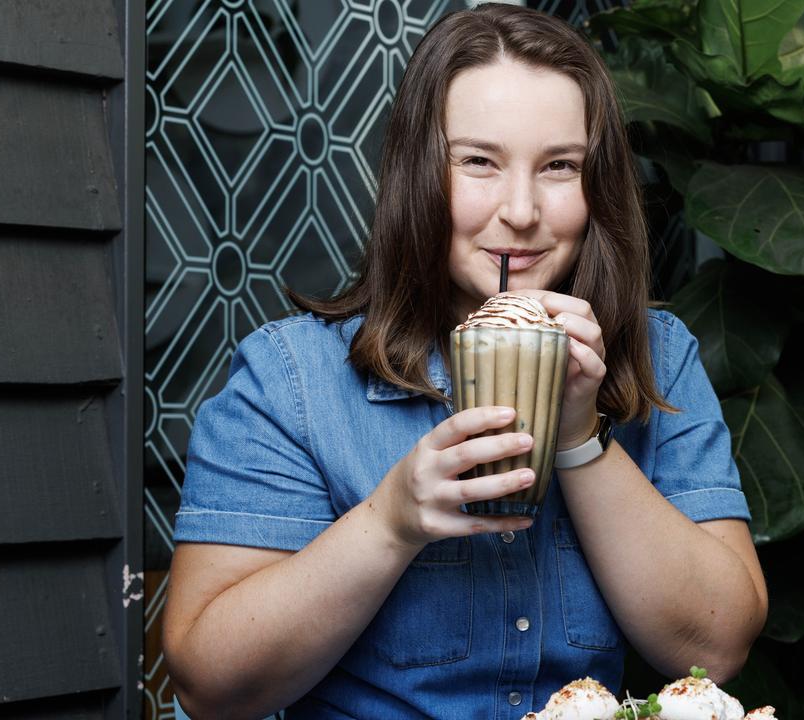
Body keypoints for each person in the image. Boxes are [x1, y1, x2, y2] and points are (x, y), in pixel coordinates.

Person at [162, 4, 767, 718]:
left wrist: (579, 437)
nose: (520, 210)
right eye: (479, 161)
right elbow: (208, 684)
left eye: (560, 167)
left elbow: (719, 643)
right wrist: (391, 521)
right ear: (420, 172)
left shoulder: (659, 357)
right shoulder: (291, 378)